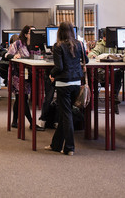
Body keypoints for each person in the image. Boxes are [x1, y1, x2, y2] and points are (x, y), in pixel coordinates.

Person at [46, 21, 88, 156]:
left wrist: (51, 74)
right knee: (67, 114)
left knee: (66, 115)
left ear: (59, 32)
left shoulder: (58, 46)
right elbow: (85, 61)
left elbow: (60, 67)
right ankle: (56, 145)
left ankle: (70, 147)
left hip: (63, 84)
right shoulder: (79, 44)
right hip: (76, 82)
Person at [88, 29, 123, 114]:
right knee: (113, 75)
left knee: (118, 73)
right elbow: (90, 54)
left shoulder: (116, 45)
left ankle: (114, 96)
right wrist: (93, 55)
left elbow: (122, 54)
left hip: (114, 72)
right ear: (104, 38)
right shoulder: (100, 45)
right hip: (102, 73)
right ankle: (114, 97)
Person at [7, 25, 33, 129]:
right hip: (17, 75)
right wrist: (14, 56)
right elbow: (7, 55)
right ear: (26, 34)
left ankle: (14, 121)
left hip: (27, 75)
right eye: (31, 33)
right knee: (22, 98)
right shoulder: (18, 44)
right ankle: (31, 123)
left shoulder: (33, 45)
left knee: (20, 98)